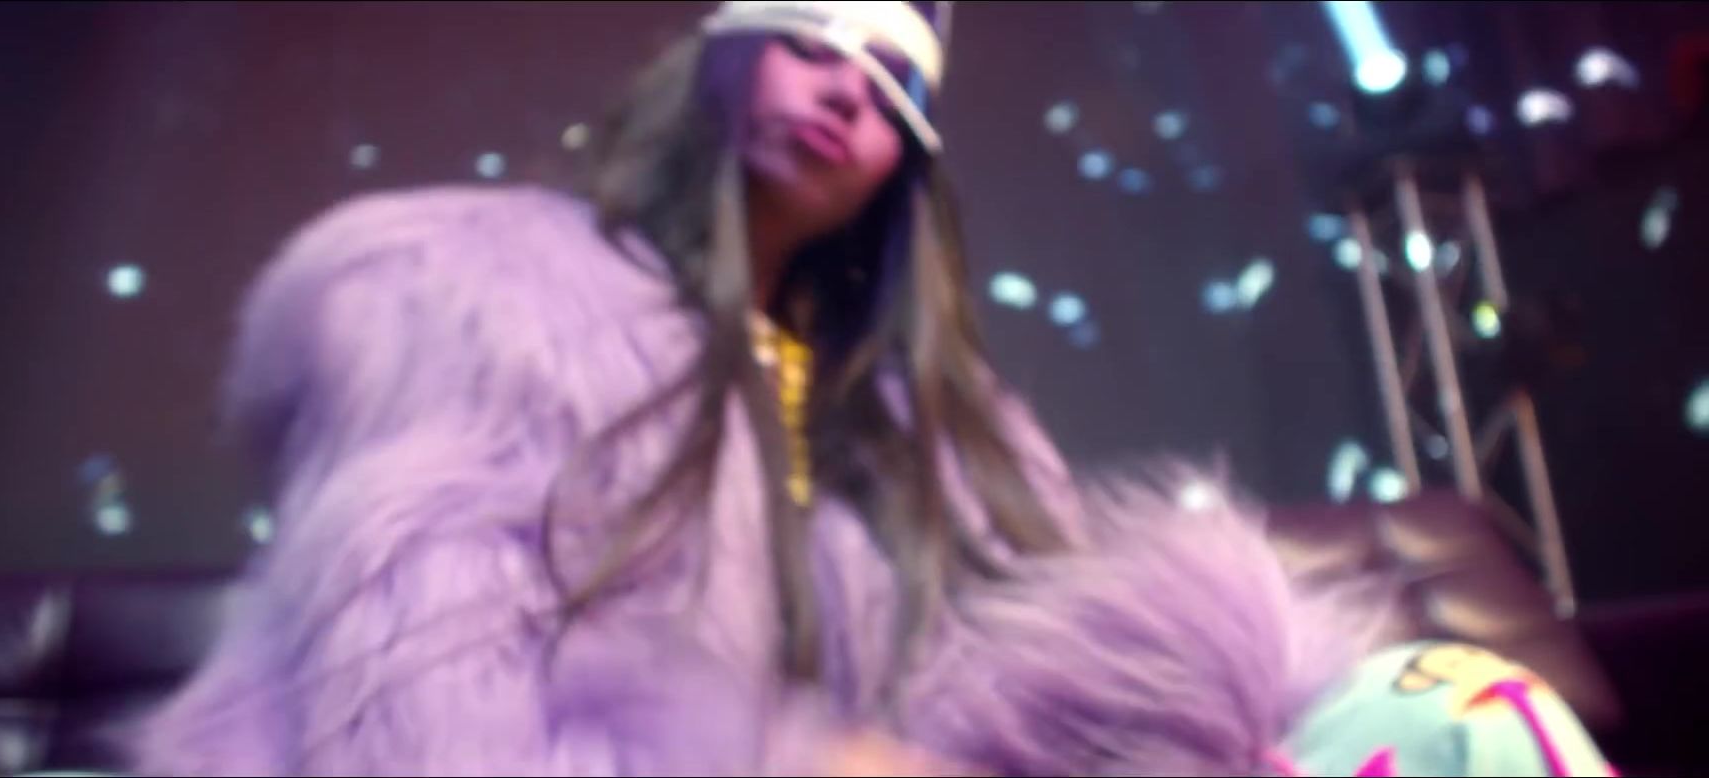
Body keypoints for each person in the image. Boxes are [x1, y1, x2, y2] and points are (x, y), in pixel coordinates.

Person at [132, 2, 1607, 776]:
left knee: (1441, 711)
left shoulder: (929, 428)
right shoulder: (468, 298)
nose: (849, 88)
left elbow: (1018, 701)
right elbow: (434, 720)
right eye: (812, 41)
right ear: (712, 66)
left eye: (896, 82)